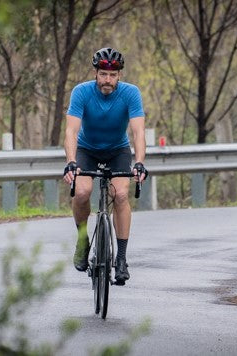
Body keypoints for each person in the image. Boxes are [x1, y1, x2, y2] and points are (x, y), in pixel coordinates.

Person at [62, 47, 148, 286]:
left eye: (112, 75)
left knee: (120, 194)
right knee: (81, 192)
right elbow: (71, 131)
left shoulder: (131, 93)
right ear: (95, 73)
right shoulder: (81, 92)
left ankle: (121, 259)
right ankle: (82, 240)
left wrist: (139, 162)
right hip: (86, 150)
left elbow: (138, 131)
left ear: (119, 75)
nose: (107, 80)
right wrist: (71, 162)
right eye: (102, 74)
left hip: (117, 150)